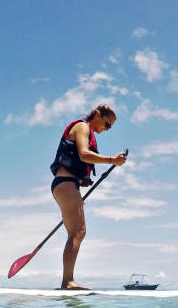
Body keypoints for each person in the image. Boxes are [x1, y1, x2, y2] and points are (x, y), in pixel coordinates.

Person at [49, 103, 126, 289]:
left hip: (67, 184)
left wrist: (82, 178)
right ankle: (67, 281)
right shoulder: (83, 127)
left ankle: (67, 280)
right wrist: (111, 160)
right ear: (98, 115)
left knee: (76, 232)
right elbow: (83, 154)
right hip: (65, 185)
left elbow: (78, 159)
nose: (107, 130)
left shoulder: (84, 130)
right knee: (78, 232)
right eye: (107, 125)